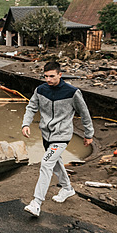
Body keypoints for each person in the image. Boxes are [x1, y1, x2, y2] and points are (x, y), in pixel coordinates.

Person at [21, 61, 94, 217]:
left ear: (60, 75)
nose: (48, 79)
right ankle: (67, 188)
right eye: (46, 76)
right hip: (46, 134)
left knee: (46, 163)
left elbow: (85, 113)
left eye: (52, 76)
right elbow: (31, 107)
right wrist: (25, 124)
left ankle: (36, 202)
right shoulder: (40, 90)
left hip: (62, 136)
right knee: (55, 162)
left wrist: (89, 134)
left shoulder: (72, 92)